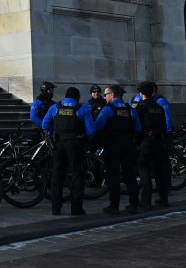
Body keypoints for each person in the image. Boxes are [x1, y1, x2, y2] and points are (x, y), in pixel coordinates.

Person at [41, 86, 95, 216]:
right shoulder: (81, 109)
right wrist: (85, 140)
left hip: (59, 144)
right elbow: (91, 130)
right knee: (77, 174)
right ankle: (76, 208)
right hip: (75, 144)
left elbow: (45, 124)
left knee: (57, 175)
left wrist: (52, 134)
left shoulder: (55, 107)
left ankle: (56, 207)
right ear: (77, 97)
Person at [94, 85, 140, 215]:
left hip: (112, 146)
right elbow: (138, 128)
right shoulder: (131, 109)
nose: (104, 97)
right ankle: (134, 204)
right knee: (130, 176)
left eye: (106, 94)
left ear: (112, 95)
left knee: (113, 176)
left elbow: (98, 126)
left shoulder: (108, 109)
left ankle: (114, 206)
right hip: (128, 146)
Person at [135, 81, 169, 207]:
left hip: (146, 142)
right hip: (158, 141)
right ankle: (163, 198)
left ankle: (145, 200)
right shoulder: (158, 107)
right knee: (160, 172)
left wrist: (137, 141)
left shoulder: (141, 107)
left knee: (144, 171)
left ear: (141, 93)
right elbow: (164, 125)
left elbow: (137, 127)